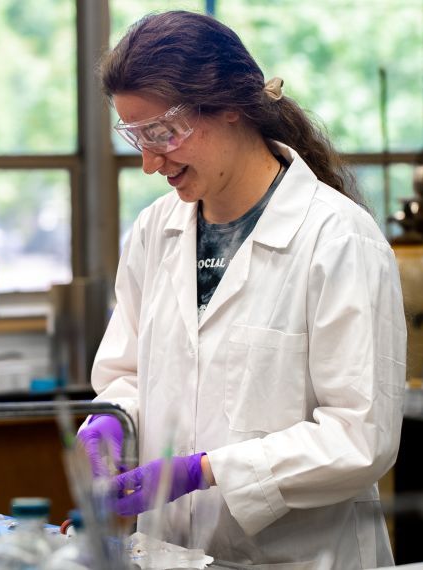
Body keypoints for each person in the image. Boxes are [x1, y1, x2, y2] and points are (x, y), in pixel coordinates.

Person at [76, 10, 406, 567]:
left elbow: (359, 436)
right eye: (136, 137)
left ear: (230, 106)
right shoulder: (157, 232)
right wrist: (114, 419)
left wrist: (206, 470)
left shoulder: (338, 238)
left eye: (162, 133)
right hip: (172, 552)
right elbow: (130, 372)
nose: (149, 163)